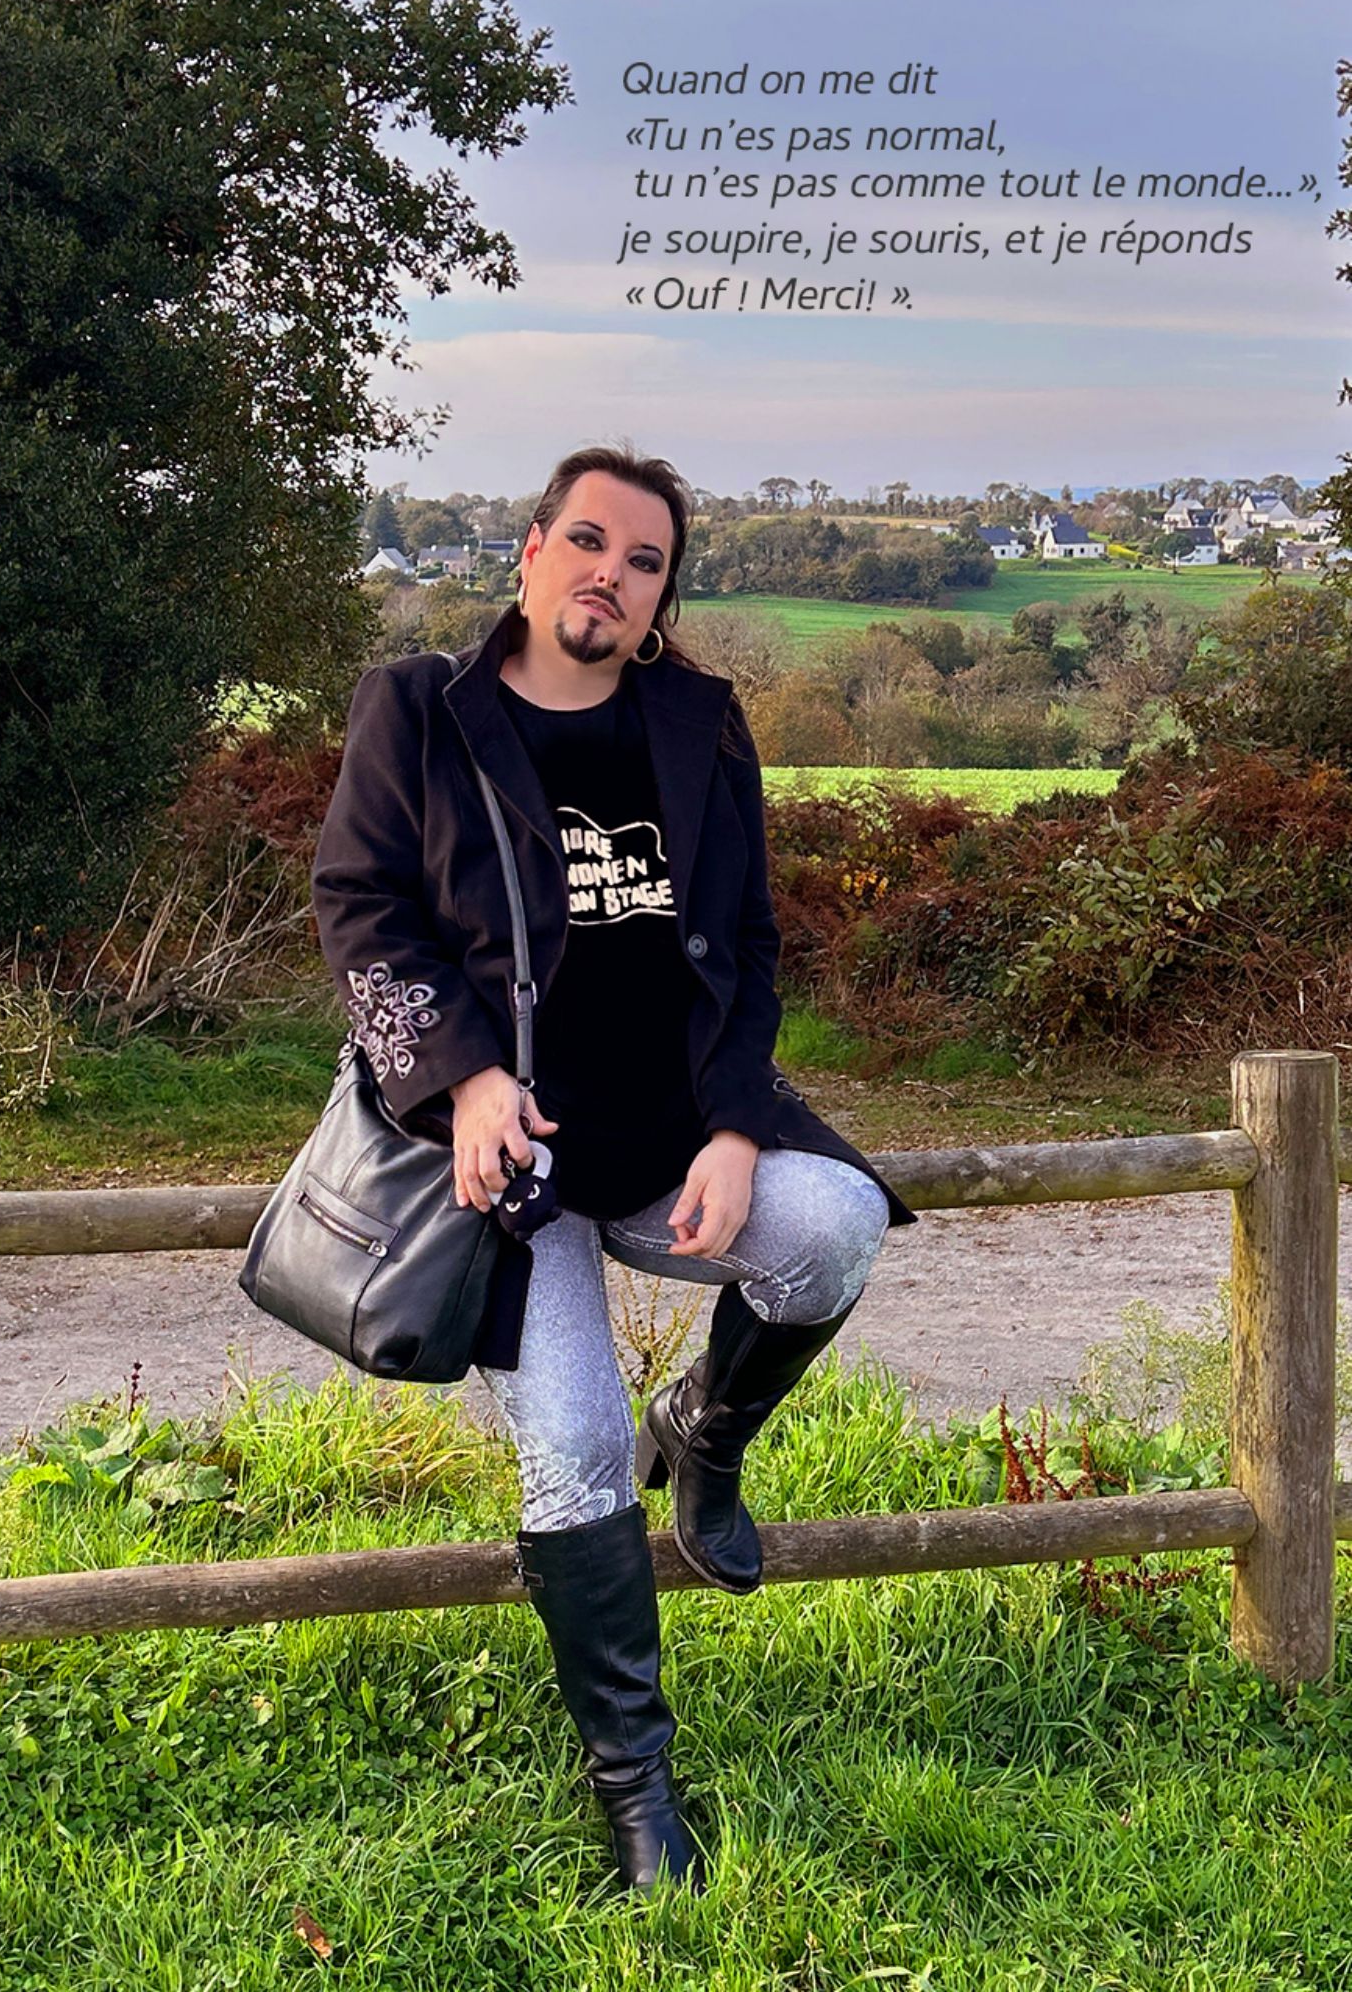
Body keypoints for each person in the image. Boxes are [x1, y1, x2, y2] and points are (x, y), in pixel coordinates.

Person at [311, 443, 918, 1894]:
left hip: (667, 1140)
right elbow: (361, 910)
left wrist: (734, 1127)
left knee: (835, 1223)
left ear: (660, 598)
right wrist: (464, 1079)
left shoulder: (700, 722)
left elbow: (748, 944)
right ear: (531, 552)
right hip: (507, 1169)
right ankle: (636, 1788)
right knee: (577, 1443)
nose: (611, 574)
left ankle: (704, 1431)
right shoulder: (420, 710)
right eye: (588, 541)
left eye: (645, 561)